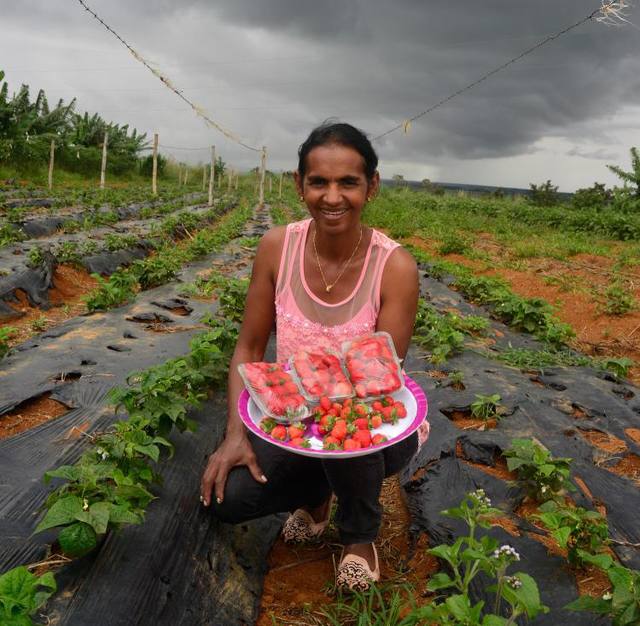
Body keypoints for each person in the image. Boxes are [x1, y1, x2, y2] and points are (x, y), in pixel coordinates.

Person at [200, 121, 421, 591]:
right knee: (227, 501)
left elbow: (379, 381)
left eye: (348, 182)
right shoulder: (278, 247)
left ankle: (360, 534)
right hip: (295, 419)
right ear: (299, 185)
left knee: (346, 438)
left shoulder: (394, 266)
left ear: (372, 187)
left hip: (367, 423)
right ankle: (319, 497)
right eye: (319, 182)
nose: (332, 196)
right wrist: (235, 435)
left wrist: (332, 410)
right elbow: (249, 347)